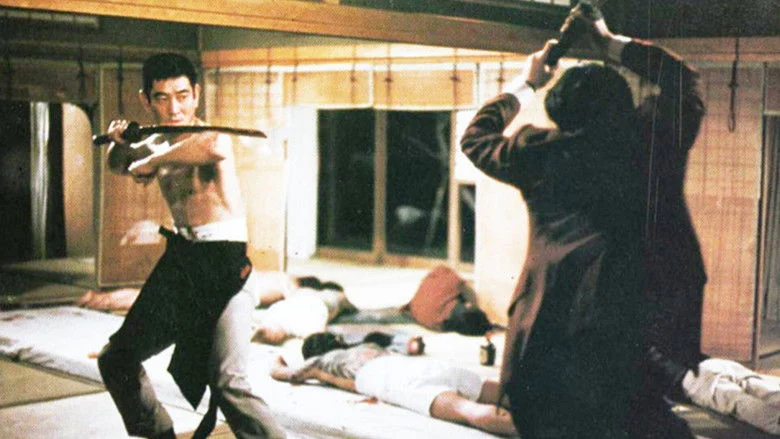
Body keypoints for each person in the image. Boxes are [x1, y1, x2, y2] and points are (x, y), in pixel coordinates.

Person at [459, 2, 705, 437]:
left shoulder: (539, 152)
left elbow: (476, 137)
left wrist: (528, 83)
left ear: (559, 110)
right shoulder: (653, 139)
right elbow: (682, 81)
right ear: (624, 104)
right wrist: (609, 43)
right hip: (629, 325)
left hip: (548, 331)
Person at [96, 53, 286, 439]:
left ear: (196, 94)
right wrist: (120, 142)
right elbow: (117, 165)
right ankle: (158, 433)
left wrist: (148, 157)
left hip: (225, 263)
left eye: (183, 96)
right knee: (115, 358)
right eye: (163, 98)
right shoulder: (154, 141)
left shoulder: (211, 135)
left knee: (227, 380)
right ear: (146, 100)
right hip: (183, 260)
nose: (175, 108)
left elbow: (209, 149)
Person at [270, 332, 518, 437]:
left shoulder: (322, 361)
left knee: (468, 410)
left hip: (391, 378)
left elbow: (283, 373)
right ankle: (542, 412)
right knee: (500, 393)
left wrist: (277, 358)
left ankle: (530, 430)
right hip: (422, 366)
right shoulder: (369, 346)